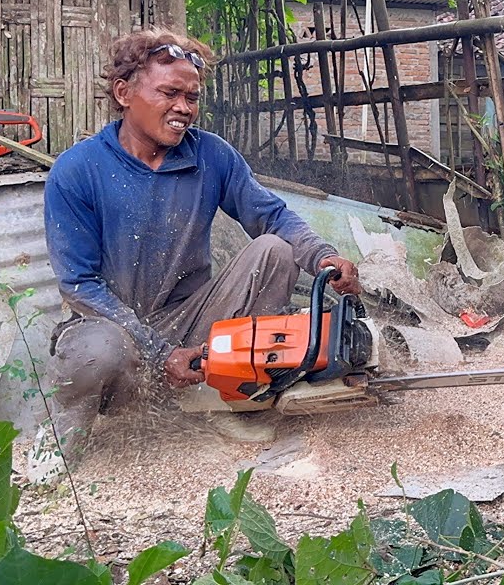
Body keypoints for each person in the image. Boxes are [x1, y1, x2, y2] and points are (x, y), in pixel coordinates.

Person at [29, 28, 359, 481]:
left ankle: (231, 397)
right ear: (124, 93)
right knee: (95, 349)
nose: (184, 107)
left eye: (192, 96)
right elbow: (79, 285)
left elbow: (272, 216)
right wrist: (158, 350)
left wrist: (323, 257)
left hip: (192, 326)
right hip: (118, 332)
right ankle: (61, 446)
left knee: (275, 252)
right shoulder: (78, 169)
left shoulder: (211, 156)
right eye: (169, 93)